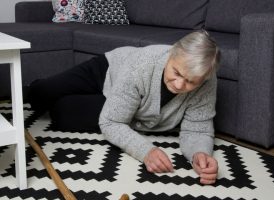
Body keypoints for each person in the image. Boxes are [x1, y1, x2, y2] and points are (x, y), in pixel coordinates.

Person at [29, 31, 220, 185]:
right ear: (171, 53)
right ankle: (29, 89)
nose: (179, 85)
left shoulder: (206, 83)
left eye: (190, 82)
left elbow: (198, 127)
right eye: (176, 72)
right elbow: (111, 121)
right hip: (107, 71)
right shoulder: (143, 64)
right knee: (43, 92)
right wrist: (146, 151)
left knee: (62, 113)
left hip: (127, 104)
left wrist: (200, 153)